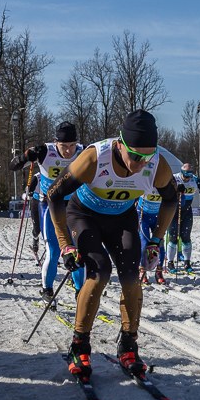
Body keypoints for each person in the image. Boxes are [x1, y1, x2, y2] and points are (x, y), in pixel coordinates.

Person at [45, 110, 178, 378]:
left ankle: (128, 343)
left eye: (148, 155)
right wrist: (65, 245)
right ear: (120, 145)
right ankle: (79, 344)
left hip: (121, 218)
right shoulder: (95, 158)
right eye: (136, 156)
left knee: (131, 276)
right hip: (84, 215)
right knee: (99, 272)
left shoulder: (157, 164)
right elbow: (54, 195)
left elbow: (172, 199)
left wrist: (155, 240)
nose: (141, 164)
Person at [9, 122, 86, 304]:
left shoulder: (83, 152)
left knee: (77, 250)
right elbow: (13, 166)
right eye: (64, 146)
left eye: (72, 146)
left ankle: (79, 291)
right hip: (49, 205)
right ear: (55, 142)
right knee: (53, 250)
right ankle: (47, 289)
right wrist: (26, 156)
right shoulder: (45, 152)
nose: (68, 151)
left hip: (74, 206)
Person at [139, 150, 184, 284]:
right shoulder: (144, 176)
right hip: (143, 215)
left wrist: (180, 194)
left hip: (158, 217)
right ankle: (143, 271)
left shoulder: (168, 181)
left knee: (159, 245)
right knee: (144, 244)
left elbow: (177, 202)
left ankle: (159, 272)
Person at [166, 163, 200, 274]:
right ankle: (170, 262)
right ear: (181, 173)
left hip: (187, 212)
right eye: (185, 177)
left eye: (189, 177)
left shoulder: (194, 180)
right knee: (173, 238)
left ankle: (187, 263)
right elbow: (164, 191)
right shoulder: (173, 178)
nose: (187, 179)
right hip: (173, 212)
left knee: (186, 237)